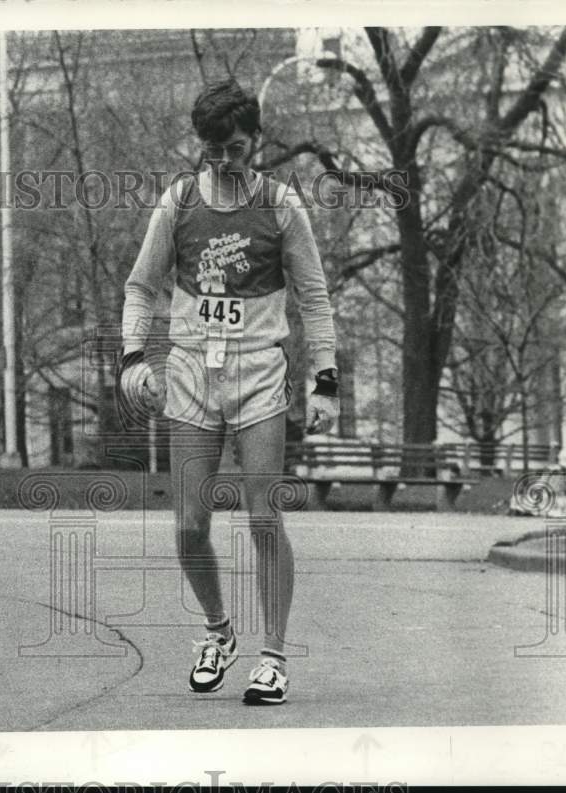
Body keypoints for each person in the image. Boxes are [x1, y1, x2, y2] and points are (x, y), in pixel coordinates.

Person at [118, 78, 339, 705]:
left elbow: (314, 298)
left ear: (256, 142)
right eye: (212, 149)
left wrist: (324, 380)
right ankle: (219, 632)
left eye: (235, 148)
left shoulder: (280, 206)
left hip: (259, 371)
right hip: (191, 370)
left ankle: (273, 657)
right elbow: (141, 286)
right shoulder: (179, 202)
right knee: (189, 527)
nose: (223, 161)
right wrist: (133, 357)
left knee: (263, 516)